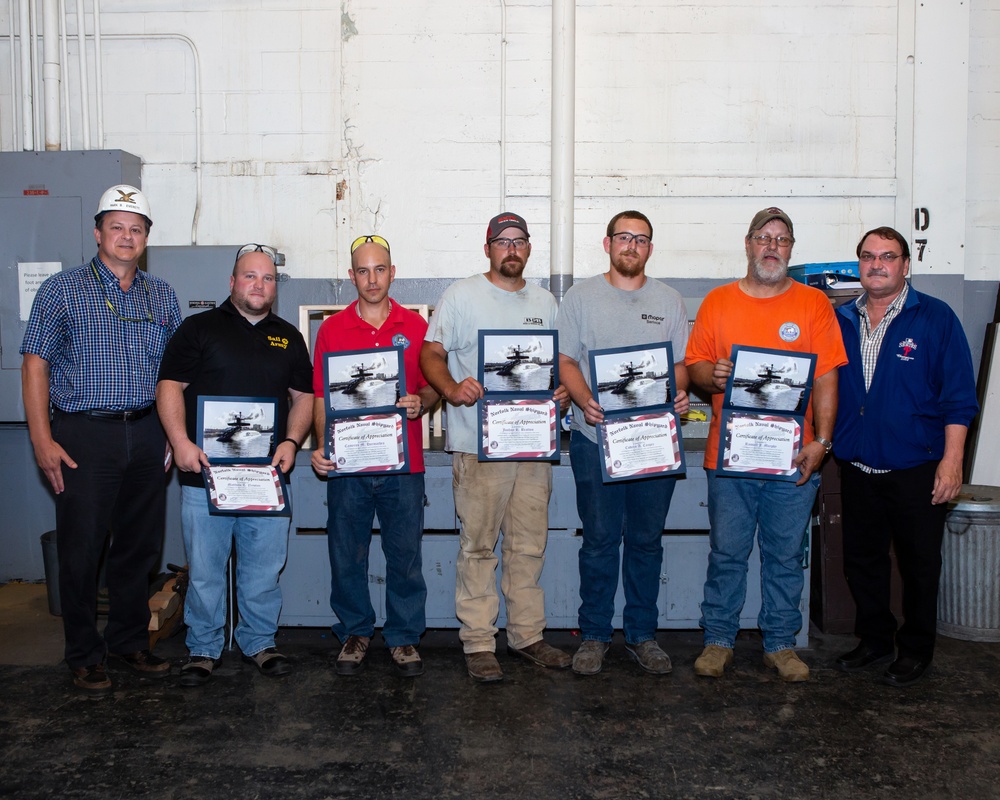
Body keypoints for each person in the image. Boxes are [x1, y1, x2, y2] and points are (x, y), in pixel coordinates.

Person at [20, 184, 182, 696]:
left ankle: (129, 642)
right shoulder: (61, 290)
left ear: (147, 238)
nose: (126, 236)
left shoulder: (162, 295)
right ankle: (84, 654)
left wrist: (171, 435)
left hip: (148, 432)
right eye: (117, 226)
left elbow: (174, 375)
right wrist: (42, 439)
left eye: (136, 228)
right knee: (83, 548)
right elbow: (34, 365)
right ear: (97, 233)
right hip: (83, 434)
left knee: (139, 548)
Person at [685, 207, 847, 682]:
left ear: (791, 248)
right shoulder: (718, 302)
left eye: (781, 239)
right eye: (763, 237)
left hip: (793, 458)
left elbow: (826, 377)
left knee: (784, 555)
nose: (772, 246)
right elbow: (695, 366)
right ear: (748, 243)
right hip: (729, 459)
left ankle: (780, 643)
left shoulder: (813, 306)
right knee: (728, 553)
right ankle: (718, 640)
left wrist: (823, 441)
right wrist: (707, 375)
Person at [420, 212, 572, 682]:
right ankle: (479, 641)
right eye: (502, 241)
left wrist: (562, 394)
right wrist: (449, 388)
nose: (511, 248)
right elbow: (431, 352)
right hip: (477, 447)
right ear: (487, 247)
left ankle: (527, 635)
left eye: (519, 241)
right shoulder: (461, 296)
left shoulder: (546, 302)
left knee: (529, 547)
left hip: (531, 447)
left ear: (529, 248)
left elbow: (558, 365)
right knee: (479, 546)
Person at [156, 243, 314, 687]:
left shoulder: (289, 336)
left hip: (266, 477)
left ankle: (259, 642)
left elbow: (304, 397)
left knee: (264, 566)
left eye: (267, 278)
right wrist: (180, 441)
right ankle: (203, 648)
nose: (259, 285)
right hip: (203, 474)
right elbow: (169, 386)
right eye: (250, 276)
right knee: (205, 567)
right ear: (232, 281)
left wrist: (291, 439)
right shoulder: (197, 329)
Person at [832, 226, 978, 687]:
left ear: (905, 265)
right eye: (869, 256)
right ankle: (875, 640)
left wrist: (952, 462)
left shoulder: (935, 318)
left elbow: (959, 398)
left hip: (917, 467)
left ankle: (916, 649)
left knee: (919, 564)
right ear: (859, 264)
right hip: (856, 465)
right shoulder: (840, 319)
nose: (878, 264)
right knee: (862, 560)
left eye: (888, 256)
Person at [556, 210, 690, 676]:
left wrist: (680, 394)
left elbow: (678, 367)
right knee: (598, 541)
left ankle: (642, 635)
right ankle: (593, 635)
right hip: (595, 441)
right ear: (607, 243)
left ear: (650, 248)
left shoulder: (670, 300)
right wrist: (584, 399)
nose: (631, 245)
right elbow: (566, 360)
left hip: (653, 442)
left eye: (641, 239)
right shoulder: (580, 297)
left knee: (646, 542)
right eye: (624, 237)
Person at [310, 235, 439, 678]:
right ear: (351, 276)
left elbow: (432, 386)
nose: (371, 279)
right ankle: (355, 631)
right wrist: (319, 444)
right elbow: (320, 396)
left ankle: (403, 638)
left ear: (392, 272)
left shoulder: (416, 326)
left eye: (379, 269)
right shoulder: (331, 329)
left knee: (405, 555)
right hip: (348, 464)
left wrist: (422, 401)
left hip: (404, 466)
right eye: (362, 271)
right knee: (347, 552)